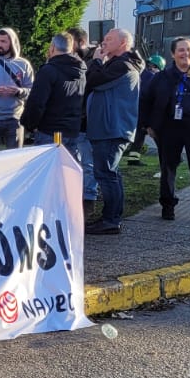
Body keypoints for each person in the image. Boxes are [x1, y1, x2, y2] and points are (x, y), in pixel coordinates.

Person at [142, 37, 190, 223]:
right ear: (173, 54)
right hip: (169, 127)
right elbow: (146, 100)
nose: (185, 54)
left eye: (188, 49)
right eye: (181, 50)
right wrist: (148, 125)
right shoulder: (162, 77)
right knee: (168, 167)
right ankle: (168, 206)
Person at [83, 27, 144, 235]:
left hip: (111, 128)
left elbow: (92, 81)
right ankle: (111, 217)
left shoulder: (122, 65)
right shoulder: (121, 64)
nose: (103, 43)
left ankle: (110, 219)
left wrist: (97, 61)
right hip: (110, 127)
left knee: (106, 174)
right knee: (110, 173)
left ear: (123, 44)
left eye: (109, 40)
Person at [21, 33, 86, 147]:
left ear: (52, 47)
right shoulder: (81, 71)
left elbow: (37, 102)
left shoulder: (49, 70)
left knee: (49, 164)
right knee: (67, 164)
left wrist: (29, 124)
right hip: (72, 130)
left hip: (50, 130)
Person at [66, 26, 98, 204]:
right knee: (72, 160)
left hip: (86, 121)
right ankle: (74, 194)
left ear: (81, 42)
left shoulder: (94, 61)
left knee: (88, 163)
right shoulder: (68, 60)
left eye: (71, 42)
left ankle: (88, 199)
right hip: (71, 120)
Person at [126, 55, 165, 164]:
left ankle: (133, 159)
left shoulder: (141, 74)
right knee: (158, 136)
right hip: (147, 113)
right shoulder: (154, 77)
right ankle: (170, 157)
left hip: (136, 110)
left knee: (139, 136)